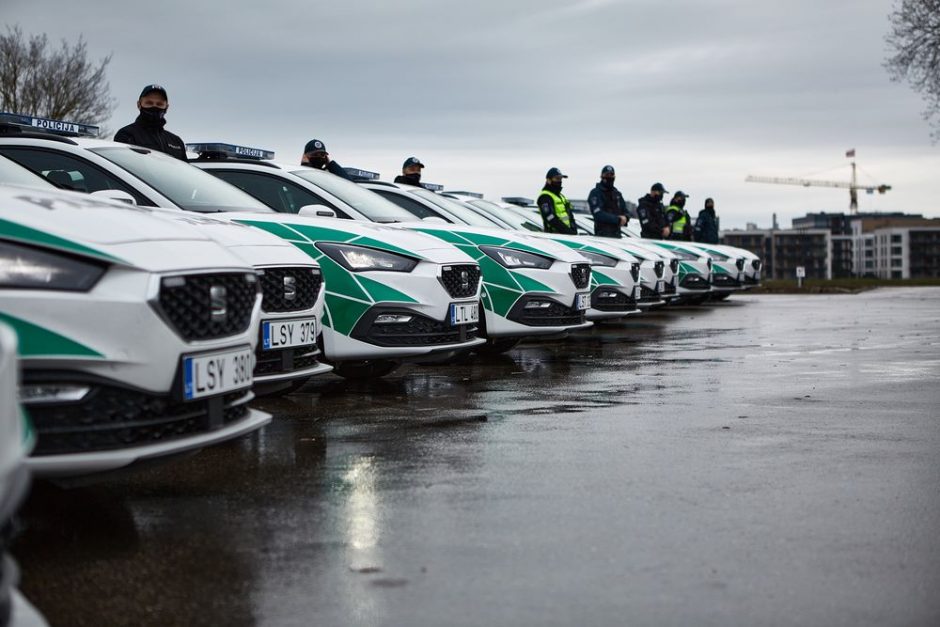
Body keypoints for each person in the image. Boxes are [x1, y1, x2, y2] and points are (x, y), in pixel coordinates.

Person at [114, 84, 187, 161]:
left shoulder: (176, 141)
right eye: (149, 103)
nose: (154, 107)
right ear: (139, 105)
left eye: (159, 104)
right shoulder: (126, 135)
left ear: (166, 107)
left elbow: (187, 171)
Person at [587, 165, 629, 238]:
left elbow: (625, 211)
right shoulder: (595, 193)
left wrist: (625, 217)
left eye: (611, 174)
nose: (609, 177)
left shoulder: (617, 194)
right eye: (607, 174)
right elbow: (598, 214)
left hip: (617, 235)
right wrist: (617, 219)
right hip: (602, 236)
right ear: (601, 176)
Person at [537, 167, 577, 234]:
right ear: (549, 180)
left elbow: (570, 215)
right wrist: (568, 231)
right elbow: (550, 218)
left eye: (560, 179)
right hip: (554, 235)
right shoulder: (545, 197)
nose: (559, 181)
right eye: (557, 178)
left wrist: (574, 230)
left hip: (568, 234)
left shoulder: (561, 196)